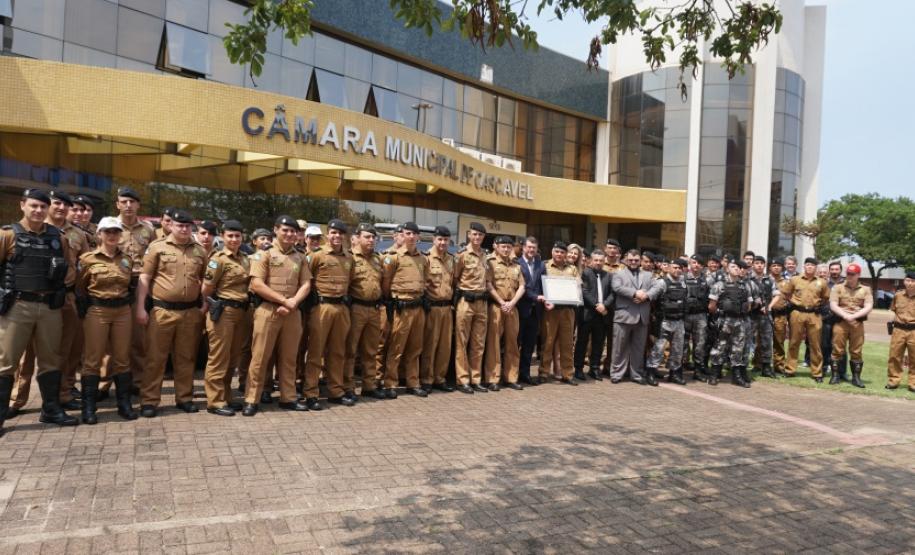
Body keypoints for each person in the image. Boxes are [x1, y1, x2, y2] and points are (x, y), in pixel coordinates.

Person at [0, 189, 78, 434]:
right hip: (16, 306)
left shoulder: (59, 238)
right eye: (33, 205)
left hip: (49, 308)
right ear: (22, 205)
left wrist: (61, 281)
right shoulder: (7, 235)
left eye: (42, 207)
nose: (38, 211)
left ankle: (51, 409)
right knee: (6, 363)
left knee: (51, 360)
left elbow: (71, 268)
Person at [134, 209, 207, 417]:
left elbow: (205, 280)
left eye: (187, 226)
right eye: (179, 225)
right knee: (155, 358)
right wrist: (140, 307)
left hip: (190, 312)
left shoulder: (199, 251)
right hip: (162, 311)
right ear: (171, 225)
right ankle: (149, 401)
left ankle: (184, 398)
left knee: (186, 358)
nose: (183, 229)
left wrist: (204, 303)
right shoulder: (157, 248)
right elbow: (145, 278)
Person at [242, 216, 311, 415]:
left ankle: (288, 398)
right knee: (260, 357)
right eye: (285, 230)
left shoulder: (300, 257)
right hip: (267, 311)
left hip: (292, 312)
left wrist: (293, 303)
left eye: (293, 231)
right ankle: (251, 399)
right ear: (276, 230)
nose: (289, 234)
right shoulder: (263, 255)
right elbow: (256, 284)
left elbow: (306, 284)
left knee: (289, 358)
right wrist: (284, 301)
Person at [75, 216, 137, 423]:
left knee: (122, 358)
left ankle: (124, 404)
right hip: (97, 310)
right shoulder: (87, 259)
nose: (112, 235)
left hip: (122, 311)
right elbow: (80, 288)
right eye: (107, 231)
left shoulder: (127, 259)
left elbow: (130, 286)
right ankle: (89, 407)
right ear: (99, 234)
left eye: (116, 232)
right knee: (93, 359)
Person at [200, 220, 250, 416]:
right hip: (223, 312)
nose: (234, 239)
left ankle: (226, 396)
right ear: (223, 236)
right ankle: (215, 401)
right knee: (219, 357)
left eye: (237, 236)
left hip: (241, 312)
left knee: (233, 357)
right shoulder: (218, 259)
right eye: (230, 235)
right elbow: (206, 289)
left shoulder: (245, 259)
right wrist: (209, 306)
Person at [305, 219, 354, 408]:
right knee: (316, 351)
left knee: (338, 352)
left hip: (341, 308)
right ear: (328, 235)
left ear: (344, 236)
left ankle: (336, 391)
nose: (336, 236)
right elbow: (306, 280)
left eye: (340, 233)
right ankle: (311, 392)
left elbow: (350, 282)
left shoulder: (349, 258)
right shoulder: (316, 255)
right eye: (333, 233)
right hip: (322, 307)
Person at [115, 187, 157, 392]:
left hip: (139, 285)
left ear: (138, 205)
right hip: (114, 286)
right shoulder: (109, 226)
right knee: (111, 338)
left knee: (139, 339)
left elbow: (155, 256)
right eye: (124, 201)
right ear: (117, 204)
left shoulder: (148, 229)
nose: (128, 205)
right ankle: (107, 384)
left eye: (132, 202)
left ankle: (138, 382)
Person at [381, 221, 429, 398]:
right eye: (407, 233)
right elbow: (386, 283)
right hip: (401, 307)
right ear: (403, 235)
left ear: (418, 236)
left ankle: (413, 382)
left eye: (414, 234)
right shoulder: (394, 257)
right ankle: (390, 383)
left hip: (418, 307)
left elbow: (425, 280)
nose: (411, 237)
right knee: (396, 347)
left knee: (415, 348)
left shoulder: (423, 259)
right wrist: (391, 301)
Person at [610, 249, 663, 384]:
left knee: (639, 348)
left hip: (642, 316)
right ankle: (616, 374)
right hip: (624, 316)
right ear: (625, 260)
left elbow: (657, 287)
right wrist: (635, 293)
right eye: (630, 260)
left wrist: (646, 296)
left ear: (640, 261)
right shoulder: (618, 274)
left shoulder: (648, 275)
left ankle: (636, 374)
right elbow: (617, 288)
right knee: (619, 347)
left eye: (636, 260)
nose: (633, 262)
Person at [345, 223, 385, 399]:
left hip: (374, 309)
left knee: (371, 350)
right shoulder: (349, 257)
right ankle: (348, 387)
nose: (371, 240)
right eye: (367, 237)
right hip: (356, 308)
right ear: (358, 237)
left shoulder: (377, 259)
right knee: (350, 350)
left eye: (373, 237)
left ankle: (369, 386)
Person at [483, 235, 526, 390]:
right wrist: (502, 302)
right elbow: (488, 284)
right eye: (503, 247)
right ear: (497, 247)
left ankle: (511, 377)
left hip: (512, 308)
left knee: (512, 343)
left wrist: (512, 302)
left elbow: (522, 286)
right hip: (497, 307)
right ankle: (492, 378)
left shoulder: (516, 265)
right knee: (493, 343)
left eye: (509, 247)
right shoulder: (490, 263)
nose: (506, 249)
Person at [453, 222, 490, 393]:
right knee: (462, 341)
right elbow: (455, 278)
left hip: (481, 303)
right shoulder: (461, 255)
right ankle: (463, 380)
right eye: (474, 234)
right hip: (465, 302)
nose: (477, 238)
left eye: (480, 235)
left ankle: (476, 379)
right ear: (469, 235)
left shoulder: (485, 255)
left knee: (478, 342)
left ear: (483, 237)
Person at [781, 257, 831, 382]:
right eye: (808, 265)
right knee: (794, 341)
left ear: (816, 268)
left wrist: (819, 306)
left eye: (812, 265)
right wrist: (793, 302)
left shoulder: (822, 282)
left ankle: (817, 372)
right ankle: (790, 369)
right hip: (797, 312)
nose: (810, 267)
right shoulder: (795, 279)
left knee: (815, 344)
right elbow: (786, 293)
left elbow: (825, 297)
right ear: (804, 266)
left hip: (814, 314)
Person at [708, 260, 756, 387]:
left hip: (739, 321)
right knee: (719, 347)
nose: (736, 269)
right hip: (724, 320)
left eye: (738, 267)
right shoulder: (719, 285)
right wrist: (722, 311)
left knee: (738, 349)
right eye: (733, 266)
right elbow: (711, 306)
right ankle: (714, 374)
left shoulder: (745, 286)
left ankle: (736, 377)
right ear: (727, 269)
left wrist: (741, 309)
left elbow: (749, 305)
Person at [538, 242, 580, 385]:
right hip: (550, 311)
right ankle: (544, 372)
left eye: (562, 252)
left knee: (567, 343)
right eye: (557, 252)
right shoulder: (544, 266)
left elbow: (577, 286)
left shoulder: (572, 269)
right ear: (552, 252)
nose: (559, 255)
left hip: (568, 311)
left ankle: (567, 374)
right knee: (548, 342)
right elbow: (540, 286)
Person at [420, 226, 456, 393]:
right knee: (430, 345)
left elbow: (454, 283)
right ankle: (427, 379)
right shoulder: (426, 259)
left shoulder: (451, 260)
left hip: (447, 308)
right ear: (434, 240)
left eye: (445, 240)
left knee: (445, 345)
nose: (442, 243)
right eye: (440, 239)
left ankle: (439, 379)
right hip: (432, 308)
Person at [646, 259, 688, 385]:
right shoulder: (661, 283)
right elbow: (650, 297)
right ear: (669, 268)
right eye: (675, 267)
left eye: (680, 268)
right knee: (658, 348)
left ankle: (674, 374)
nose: (677, 270)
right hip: (664, 321)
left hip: (679, 322)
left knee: (677, 349)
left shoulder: (683, 283)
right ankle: (651, 372)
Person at [829, 263, 871, 388]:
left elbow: (869, 306)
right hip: (841, 322)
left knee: (856, 351)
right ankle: (835, 376)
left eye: (852, 274)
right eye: (848, 273)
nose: (849, 276)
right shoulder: (838, 287)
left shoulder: (866, 289)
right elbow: (833, 305)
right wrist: (846, 316)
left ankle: (856, 378)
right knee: (837, 349)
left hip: (857, 323)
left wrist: (854, 316)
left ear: (858, 275)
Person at [575, 250, 614, 381]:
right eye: (596, 260)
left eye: (601, 260)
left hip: (602, 315)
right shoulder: (585, 273)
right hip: (587, 314)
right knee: (582, 342)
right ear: (591, 261)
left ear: (604, 261)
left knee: (599, 342)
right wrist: (597, 305)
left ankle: (594, 368)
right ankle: (578, 369)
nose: (598, 263)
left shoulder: (608, 276)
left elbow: (612, 294)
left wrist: (605, 305)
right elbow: (584, 291)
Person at [517, 237, 544, 386]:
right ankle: (512, 374)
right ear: (523, 248)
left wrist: (549, 298)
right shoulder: (517, 263)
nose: (531, 250)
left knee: (529, 345)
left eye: (534, 247)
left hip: (536, 312)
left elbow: (545, 284)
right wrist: (536, 296)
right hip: (521, 309)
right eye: (528, 247)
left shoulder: (541, 264)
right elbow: (521, 287)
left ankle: (525, 374)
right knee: (515, 344)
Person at [682, 255, 711, 381]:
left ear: (702, 266)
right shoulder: (682, 279)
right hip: (685, 316)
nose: (696, 265)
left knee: (699, 344)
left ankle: (698, 371)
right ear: (690, 264)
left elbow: (712, 298)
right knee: (682, 343)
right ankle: (678, 370)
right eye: (694, 262)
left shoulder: (707, 280)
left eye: (699, 263)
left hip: (700, 316)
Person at [747, 255, 776, 378]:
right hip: (751, 314)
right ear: (753, 265)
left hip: (765, 315)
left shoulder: (770, 279)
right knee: (746, 340)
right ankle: (741, 366)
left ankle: (766, 367)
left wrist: (769, 307)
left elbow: (777, 294)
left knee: (766, 341)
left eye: (761, 263)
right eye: (757, 263)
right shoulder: (747, 278)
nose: (759, 265)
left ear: (764, 265)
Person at [886, 271, 915, 392]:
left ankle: (913, 383)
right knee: (894, 356)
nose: (910, 283)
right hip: (898, 329)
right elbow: (894, 310)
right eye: (908, 280)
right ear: (904, 281)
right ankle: (893, 380)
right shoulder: (898, 295)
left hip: (914, 330)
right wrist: (890, 323)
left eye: (913, 281)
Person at [768, 258, 792, 376]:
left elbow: (791, 298)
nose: (776, 267)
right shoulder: (765, 280)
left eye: (778, 265)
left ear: (782, 268)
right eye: (774, 265)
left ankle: (778, 365)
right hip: (766, 314)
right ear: (770, 267)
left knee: (779, 340)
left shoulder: (787, 282)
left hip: (780, 315)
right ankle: (759, 364)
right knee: (762, 340)